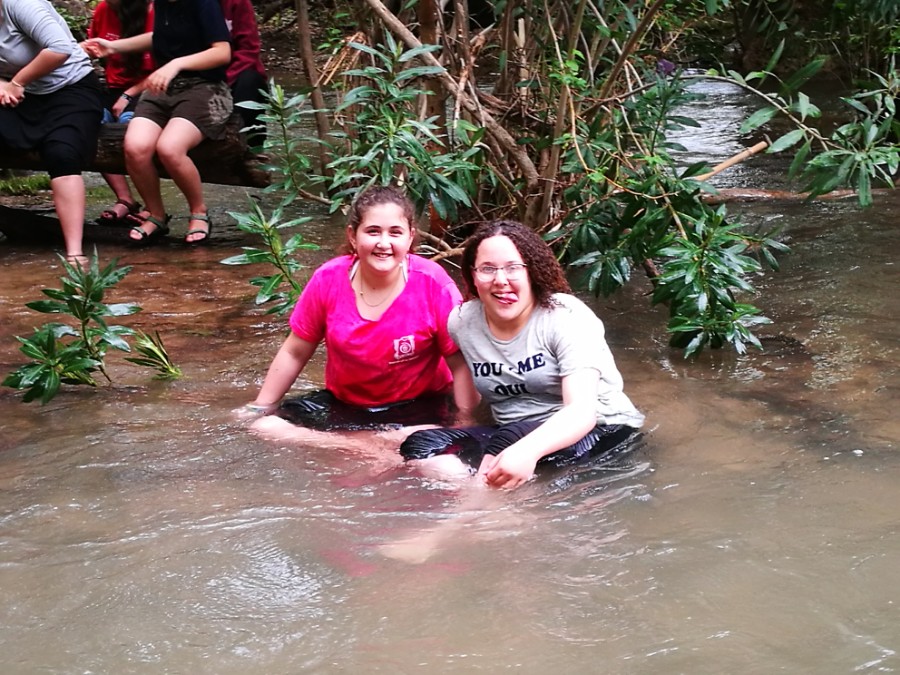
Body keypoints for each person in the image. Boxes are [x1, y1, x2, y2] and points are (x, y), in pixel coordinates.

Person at [399, 219, 645, 490]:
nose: (500, 280)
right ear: (472, 276)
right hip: (513, 434)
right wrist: (464, 422)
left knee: (508, 439)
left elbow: (581, 411)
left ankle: (459, 525)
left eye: (513, 268)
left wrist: (527, 451)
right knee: (422, 444)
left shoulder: (565, 317)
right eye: (488, 269)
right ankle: (491, 501)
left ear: (533, 272)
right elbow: (462, 372)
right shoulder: (463, 322)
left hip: (603, 428)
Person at [243, 185, 477, 452]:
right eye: (373, 231)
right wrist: (261, 406)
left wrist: (464, 422)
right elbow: (296, 350)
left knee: (426, 449)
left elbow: (460, 362)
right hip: (347, 406)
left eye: (395, 233)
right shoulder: (328, 278)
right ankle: (365, 445)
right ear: (353, 236)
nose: (384, 243)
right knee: (264, 426)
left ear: (410, 238)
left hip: (419, 408)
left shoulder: (432, 282)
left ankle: (363, 445)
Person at [83, 0, 232, 246]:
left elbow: (222, 51)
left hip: (205, 89)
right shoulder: (162, 4)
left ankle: (199, 212)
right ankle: (157, 215)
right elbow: (160, 36)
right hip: (161, 89)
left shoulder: (204, 3)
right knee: (135, 147)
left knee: (169, 148)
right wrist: (113, 46)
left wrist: (176, 63)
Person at [0, 0, 104, 266]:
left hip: (72, 89)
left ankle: (74, 253)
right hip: (21, 95)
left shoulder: (21, 5)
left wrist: (16, 82)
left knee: (61, 152)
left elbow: (59, 48)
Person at [85, 0, 154, 225]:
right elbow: (92, 52)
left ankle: (153, 207)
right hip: (113, 88)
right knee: (88, 124)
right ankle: (125, 199)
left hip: (151, 88)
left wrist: (129, 94)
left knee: (130, 128)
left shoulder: (155, 11)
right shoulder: (104, 9)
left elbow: (169, 67)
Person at [220, 0, 267, 146]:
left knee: (250, 82)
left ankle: (252, 149)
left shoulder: (237, 3)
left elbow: (249, 50)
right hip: (201, 74)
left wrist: (224, 80)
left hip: (236, 73)